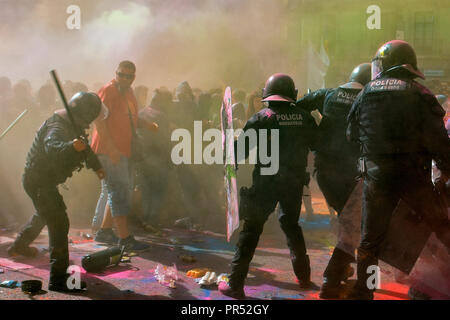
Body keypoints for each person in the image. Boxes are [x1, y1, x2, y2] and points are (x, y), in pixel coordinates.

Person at [346, 40, 450, 299]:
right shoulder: (420, 94)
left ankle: (363, 291)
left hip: (377, 177)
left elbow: (351, 135)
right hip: (414, 176)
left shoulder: (365, 92)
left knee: (370, 239)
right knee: (441, 226)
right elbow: (438, 141)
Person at [219, 73, 318, 299]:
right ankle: (303, 276)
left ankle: (235, 283)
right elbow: (316, 145)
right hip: (293, 183)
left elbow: (240, 154)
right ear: (292, 94)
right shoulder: (304, 117)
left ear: (267, 95)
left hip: (266, 183)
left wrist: (229, 146)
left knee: (252, 229)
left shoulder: (260, 118)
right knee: (291, 224)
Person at [8, 92, 105, 292]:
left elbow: (84, 148)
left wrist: (96, 166)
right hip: (39, 181)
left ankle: (19, 246)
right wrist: (71, 146)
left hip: (42, 181)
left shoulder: (72, 123)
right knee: (59, 222)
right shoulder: (58, 126)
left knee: (45, 213)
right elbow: (52, 147)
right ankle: (59, 279)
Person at [297, 62, 372, 298]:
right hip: (353, 173)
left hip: (325, 173)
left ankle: (343, 269)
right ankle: (333, 278)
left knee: (347, 220)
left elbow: (298, 108)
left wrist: (314, 135)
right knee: (356, 225)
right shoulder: (369, 98)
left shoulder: (329, 94)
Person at [91, 60, 157, 251]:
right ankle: (124, 238)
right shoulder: (108, 91)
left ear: (134, 77)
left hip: (123, 150)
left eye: (129, 76)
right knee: (118, 191)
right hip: (108, 150)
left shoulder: (128, 93)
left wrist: (147, 125)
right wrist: (111, 149)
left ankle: (104, 231)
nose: (125, 79)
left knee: (118, 190)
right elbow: (99, 121)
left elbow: (131, 118)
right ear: (116, 73)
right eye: (122, 75)